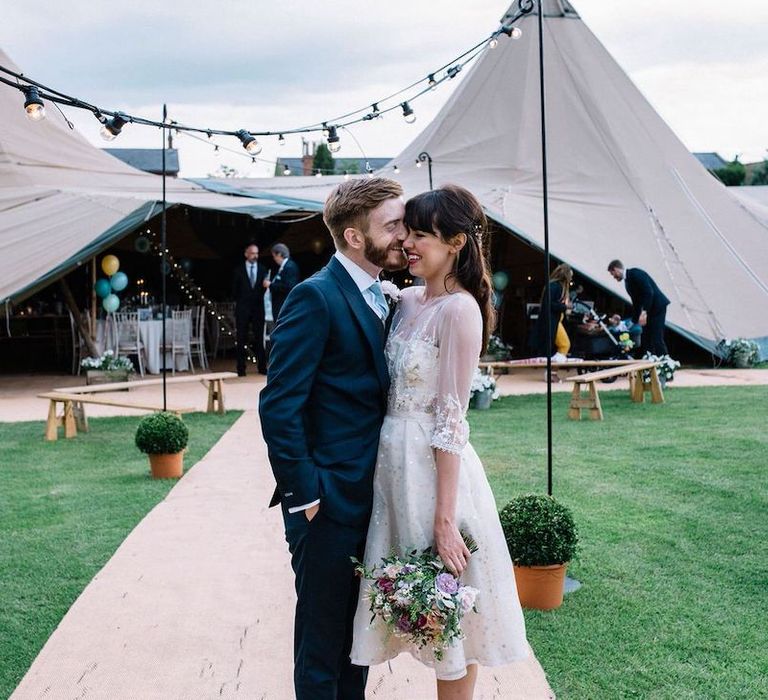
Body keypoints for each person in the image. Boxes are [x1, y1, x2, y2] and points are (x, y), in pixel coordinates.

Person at [350, 185, 528, 699]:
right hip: (391, 468)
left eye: (421, 235)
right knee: (412, 601)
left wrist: (446, 520)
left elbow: (451, 421)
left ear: (454, 242)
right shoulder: (402, 300)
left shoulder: (460, 311)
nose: (407, 243)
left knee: (452, 611)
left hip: (435, 473)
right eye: (407, 232)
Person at [259, 177, 408, 700]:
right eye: (392, 225)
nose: (403, 235)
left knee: (357, 644)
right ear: (353, 235)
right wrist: (306, 495)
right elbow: (279, 404)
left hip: (371, 498)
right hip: (324, 504)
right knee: (321, 648)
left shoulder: (382, 296)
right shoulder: (314, 296)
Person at [607, 260, 670, 355]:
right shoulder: (627, 282)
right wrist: (633, 321)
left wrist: (644, 312)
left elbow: (649, 292)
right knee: (646, 337)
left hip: (657, 307)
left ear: (616, 269)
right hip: (649, 310)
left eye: (613, 274)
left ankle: (665, 361)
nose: (614, 277)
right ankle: (649, 361)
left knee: (656, 336)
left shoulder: (636, 273)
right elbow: (636, 303)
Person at [232, 243, 268, 375]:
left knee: (259, 338)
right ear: (246, 254)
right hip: (243, 308)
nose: (255, 256)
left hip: (258, 308)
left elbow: (265, 289)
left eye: (257, 253)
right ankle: (241, 369)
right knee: (241, 339)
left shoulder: (263, 269)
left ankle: (262, 367)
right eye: (252, 253)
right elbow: (234, 291)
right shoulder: (238, 270)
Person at [528, 263, 573, 362]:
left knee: (559, 346)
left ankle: (552, 370)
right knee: (565, 344)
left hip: (555, 321)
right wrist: (565, 306)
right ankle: (552, 371)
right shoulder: (556, 286)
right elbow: (550, 304)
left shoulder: (553, 285)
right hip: (554, 321)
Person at [264, 242, 300, 320]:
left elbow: (289, 287)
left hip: (285, 307)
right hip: (281, 306)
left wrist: (270, 285)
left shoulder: (289, 267)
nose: (274, 259)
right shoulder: (284, 266)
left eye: (274, 256)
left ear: (279, 254)